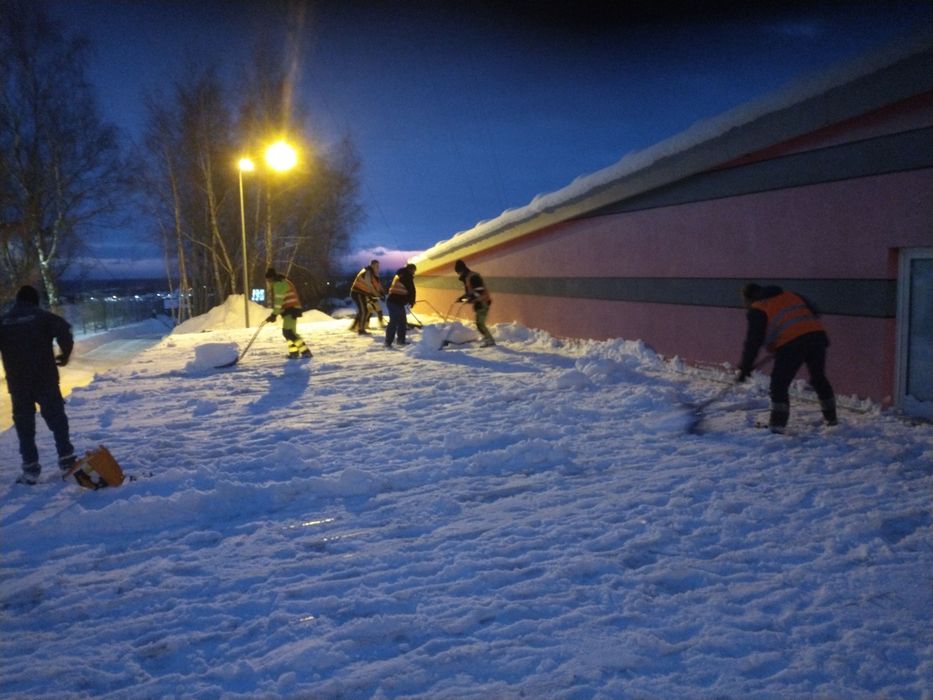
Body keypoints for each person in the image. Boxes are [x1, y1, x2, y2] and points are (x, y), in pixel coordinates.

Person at [0, 285, 76, 484]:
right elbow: (64, 330)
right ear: (35, 300)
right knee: (57, 420)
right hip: (45, 379)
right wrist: (65, 354)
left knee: (24, 427)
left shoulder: (4, 321)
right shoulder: (43, 317)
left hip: (18, 383)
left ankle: (30, 468)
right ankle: (67, 459)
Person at [737, 283, 837, 433]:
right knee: (818, 378)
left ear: (749, 299)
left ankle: (777, 426)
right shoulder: (792, 295)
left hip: (793, 344)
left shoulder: (758, 308)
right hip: (817, 337)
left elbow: (753, 341)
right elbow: (813, 313)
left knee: (779, 384)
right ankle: (832, 419)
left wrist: (745, 367)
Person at [264, 268, 312, 359]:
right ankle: (294, 353)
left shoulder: (279, 284)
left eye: (268, 280)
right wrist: (274, 314)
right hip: (291, 310)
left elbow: (278, 302)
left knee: (288, 332)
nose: (268, 283)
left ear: (271, 278)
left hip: (291, 309)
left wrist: (274, 315)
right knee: (290, 333)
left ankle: (306, 352)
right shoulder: (282, 282)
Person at [454, 259, 495, 347]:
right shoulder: (468, 277)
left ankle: (490, 340)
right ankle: (488, 338)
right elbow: (471, 292)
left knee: (480, 323)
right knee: (479, 323)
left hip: (483, 301)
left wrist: (470, 298)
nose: (458, 274)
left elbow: (479, 290)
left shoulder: (473, 277)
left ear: (462, 270)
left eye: (458, 272)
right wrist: (462, 298)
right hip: (479, 302)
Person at [349, 260, 385, 334]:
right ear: (372, 265)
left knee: (365, 310)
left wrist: (382, 292)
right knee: (364, 310)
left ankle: (355, 326)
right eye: (375, 266)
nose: (377, 267)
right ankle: (361, 329)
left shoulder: (373, 274)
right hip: (357, 292)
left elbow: (378, 285)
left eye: (378, 266)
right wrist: (378, 295)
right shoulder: (368, 272)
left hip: (363, 294)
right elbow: (369, 285)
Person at [385, 263, 416, 347]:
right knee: (394, 322)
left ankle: (401, 340)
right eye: (413, 270)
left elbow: (410, 290)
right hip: (394, 302)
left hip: (397, 302)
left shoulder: (401, 275)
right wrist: (411, 300)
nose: (414, 273)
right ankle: (388, 342)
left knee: (402, 322)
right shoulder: (406, 276)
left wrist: (411, 301)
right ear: (410, 269)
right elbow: (411, 290)